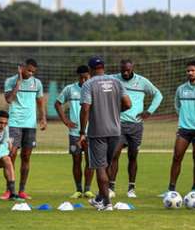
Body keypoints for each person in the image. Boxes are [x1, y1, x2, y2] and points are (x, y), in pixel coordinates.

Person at [80, 56, 131, 211]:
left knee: (100, 167)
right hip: (116, 130)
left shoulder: (88, 84)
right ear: (103, 67)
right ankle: (99, 198)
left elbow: (86, 108)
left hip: (97, 132)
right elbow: (128, 104)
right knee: (107, 164)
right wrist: (115, 111)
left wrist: (82, 131)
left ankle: (107, 204)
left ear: (90, 70)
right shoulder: (117, 82)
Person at [108, 59, 163, 199]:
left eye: (128, 70)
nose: (125, 73)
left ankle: (131, 188)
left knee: (133, 157)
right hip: (118, 123)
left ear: (132, 68)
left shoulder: (142, 81)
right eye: (123, 70)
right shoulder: (113, 79)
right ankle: (111, 187)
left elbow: (158, 94)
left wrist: (149, 111)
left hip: (136, 126)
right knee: (114, 155)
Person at [164, 61, 195, 196]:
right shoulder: (181, 89)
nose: (190, 73)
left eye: (193, 70)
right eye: (188, 71)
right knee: (177, 157)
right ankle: (171, 189)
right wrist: (185, 117)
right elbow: (177, 106)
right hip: (184, 129)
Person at [4, 58, 46, 200]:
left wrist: (43, 118)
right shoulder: (10, 81)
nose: (31, 73)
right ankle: (9, 190)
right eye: (29, 70)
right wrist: (18, 83)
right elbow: (9, 100)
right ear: (21, 67)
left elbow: (40, 102)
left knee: (26, 157)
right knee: (11, 156)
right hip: (14, 122)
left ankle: (21, 190)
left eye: (33, 71)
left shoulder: (37, 83)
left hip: (30, 125)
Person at [55, 65, 95, 199]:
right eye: (81, 78)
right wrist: (66, 121)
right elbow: (57, 103)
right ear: (78, 77)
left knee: (90, 161)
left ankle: (88, 190)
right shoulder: (70, 89)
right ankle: (78, 190)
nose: (84, 80)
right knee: (76, 160)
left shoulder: (94, 89)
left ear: (90, 76)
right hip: (74, 133)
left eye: (86, 77)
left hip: (91, 132)